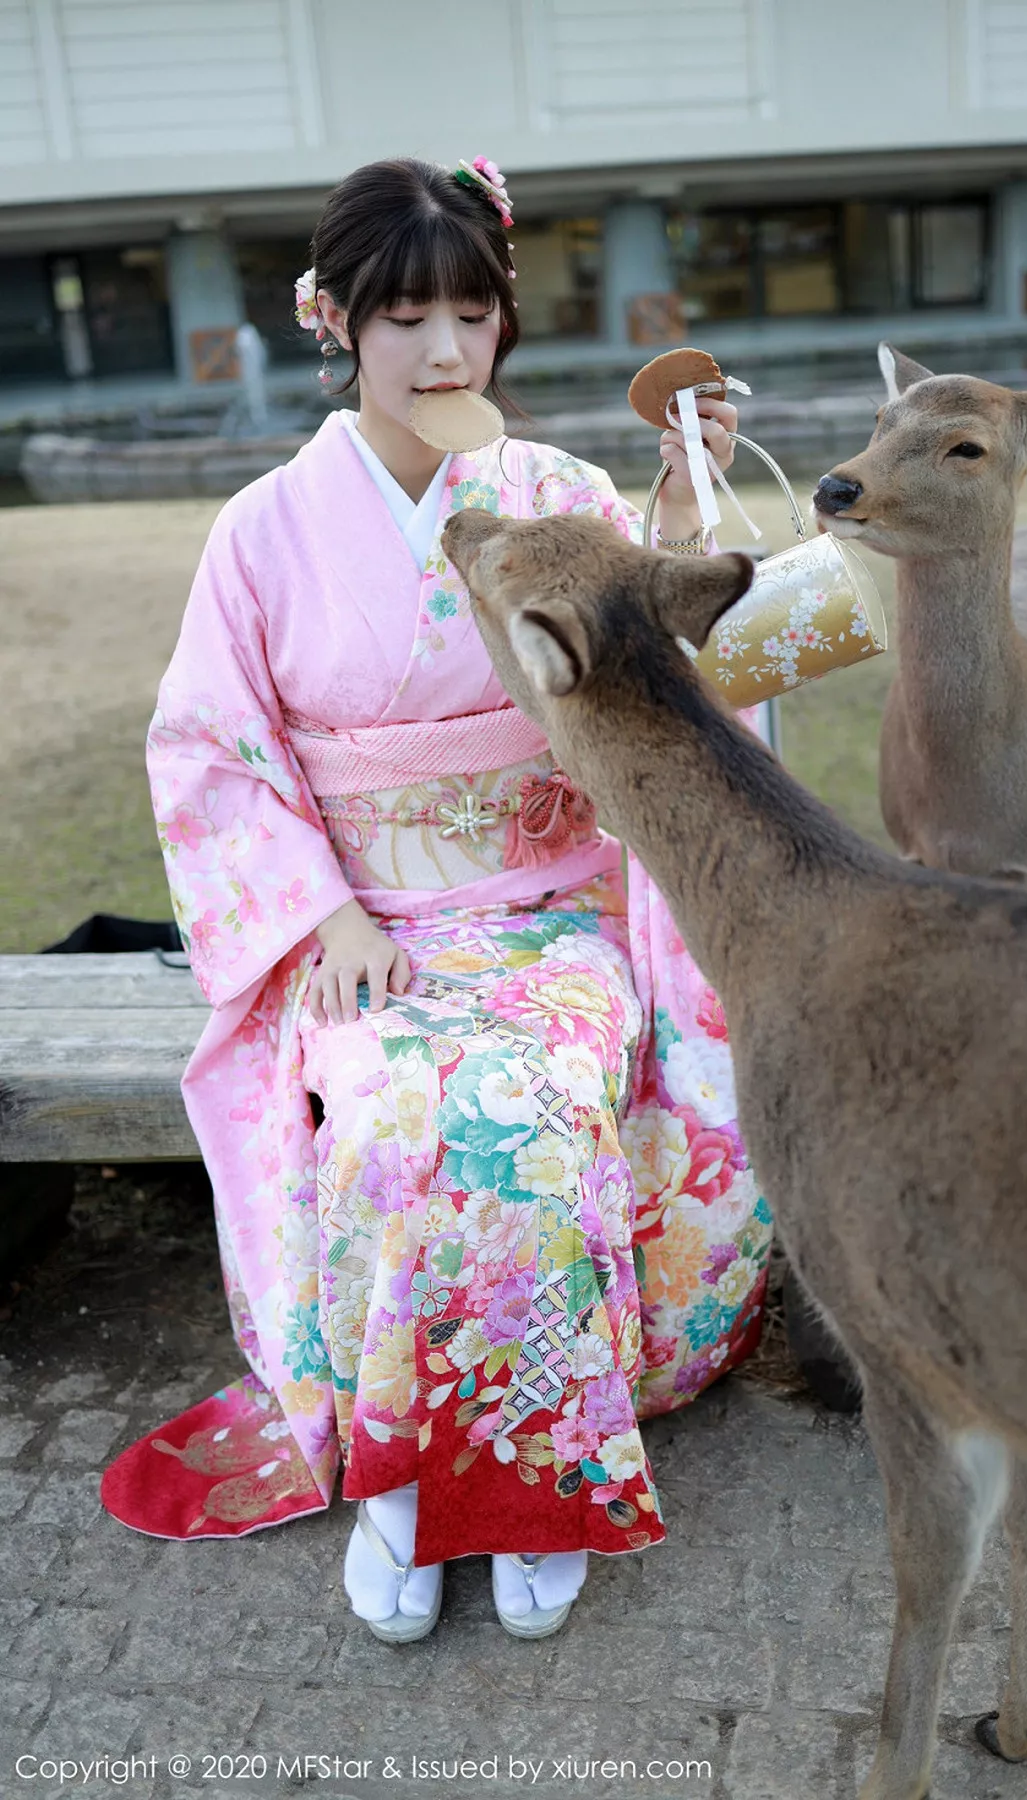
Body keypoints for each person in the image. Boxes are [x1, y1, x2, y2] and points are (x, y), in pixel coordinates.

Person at [100, 156, 772, 1642]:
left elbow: (649, 690)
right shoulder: (264, 532)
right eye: (404, 314)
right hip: (363, 928)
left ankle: (540, 1480)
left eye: (473, 311)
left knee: (531, 1102)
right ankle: (403, 1484)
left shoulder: (556, 494)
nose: (446, 351)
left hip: (546, 902)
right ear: (333, 319)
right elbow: (210, 749)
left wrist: (668, 511)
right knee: (400, 1114)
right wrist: (319, 913)